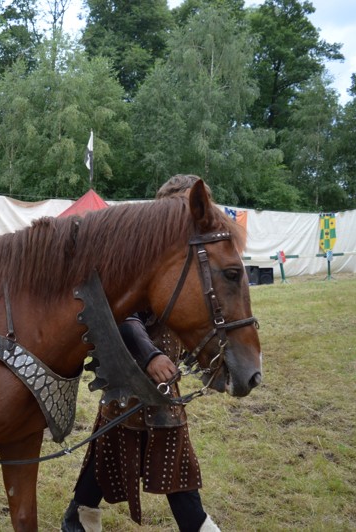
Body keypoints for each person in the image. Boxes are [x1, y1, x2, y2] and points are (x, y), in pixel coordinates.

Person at [61, 175, 220, 532]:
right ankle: (195, 524)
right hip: (131, 367)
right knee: (161, 440)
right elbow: (122, 313)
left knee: (116, 440)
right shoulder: (140, 250)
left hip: (161, 371)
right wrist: (149, 356)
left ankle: (80, 515)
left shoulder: (187, 253)